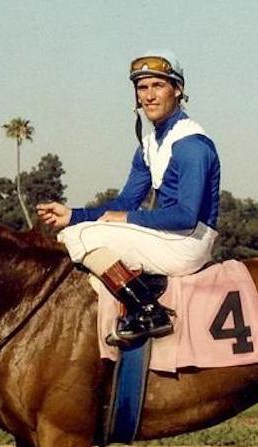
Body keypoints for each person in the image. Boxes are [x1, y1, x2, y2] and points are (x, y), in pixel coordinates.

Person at [37, 51, 221, 347]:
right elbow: (124, 204)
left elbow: (186, 215)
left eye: (157, 86)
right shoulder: (150, 144)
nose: (148, 95)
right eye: (142, 87)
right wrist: (72, 214)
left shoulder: (192, 144)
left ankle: (149, 310)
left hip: (188, 241)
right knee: (74, 230)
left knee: (80, 238)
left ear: (177, 89)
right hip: (168, 236)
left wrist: (123, 219)